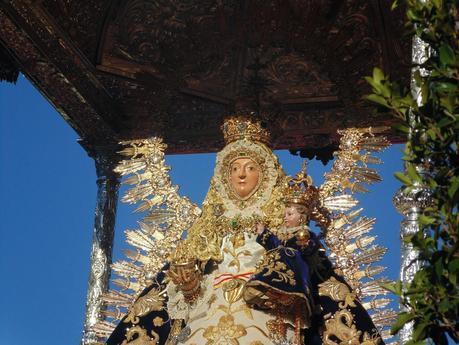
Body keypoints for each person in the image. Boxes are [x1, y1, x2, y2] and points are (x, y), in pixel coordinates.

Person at [106, 117, 383, 345]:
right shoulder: (205, 236)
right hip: (205, 328)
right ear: (223, 176)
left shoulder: (280, 232)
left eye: (250, 168)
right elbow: (178, 302)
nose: (241, 174)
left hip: (267, 325)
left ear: (265, 176)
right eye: (235, 168)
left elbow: (313, 281)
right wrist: (189, 286)